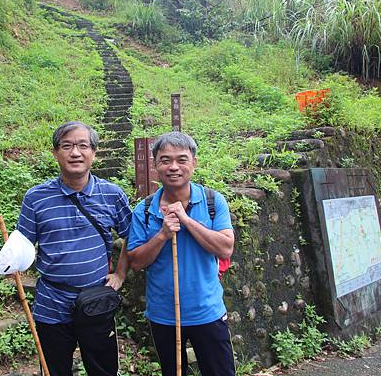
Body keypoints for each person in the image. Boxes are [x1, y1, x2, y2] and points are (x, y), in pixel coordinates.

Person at [15, 121, 132, 376]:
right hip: (51, 302)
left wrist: (120, 274)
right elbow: (22, 245)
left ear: (94, 152)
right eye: (66, 146)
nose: (75, 153)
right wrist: (7, 260)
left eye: (82, 146)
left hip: (96, 300)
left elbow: (131, 235)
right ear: (55, 152)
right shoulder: (36, 198)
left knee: (103, 370)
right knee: (54, 371)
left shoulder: (112, 195)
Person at [127, 131, 236, 376]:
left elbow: (225, 247)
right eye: (165, 160)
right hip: (163, 315)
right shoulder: (144, 210)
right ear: (155, 165)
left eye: (181, 160)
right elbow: (135, 261)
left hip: (207, 311)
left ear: (194, 163)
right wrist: (162, 235)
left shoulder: (212, 201)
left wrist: (186, 220)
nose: (173, 166)